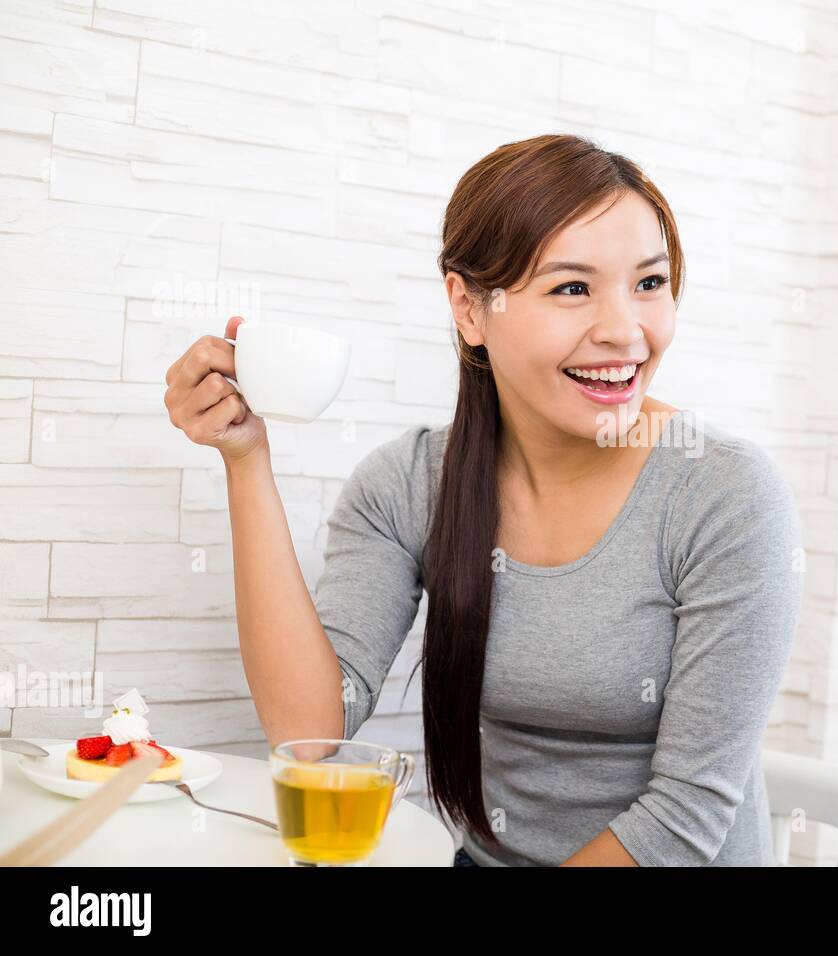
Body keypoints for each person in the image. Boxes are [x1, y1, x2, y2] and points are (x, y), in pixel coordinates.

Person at [164, 134, 803, 867]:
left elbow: (685, 814)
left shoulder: (725, 495)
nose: (625, 331)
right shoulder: (408, 484)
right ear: (469, 308)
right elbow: (311, 736)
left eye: (649, 283)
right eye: (572, 287)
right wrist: (245, 459)